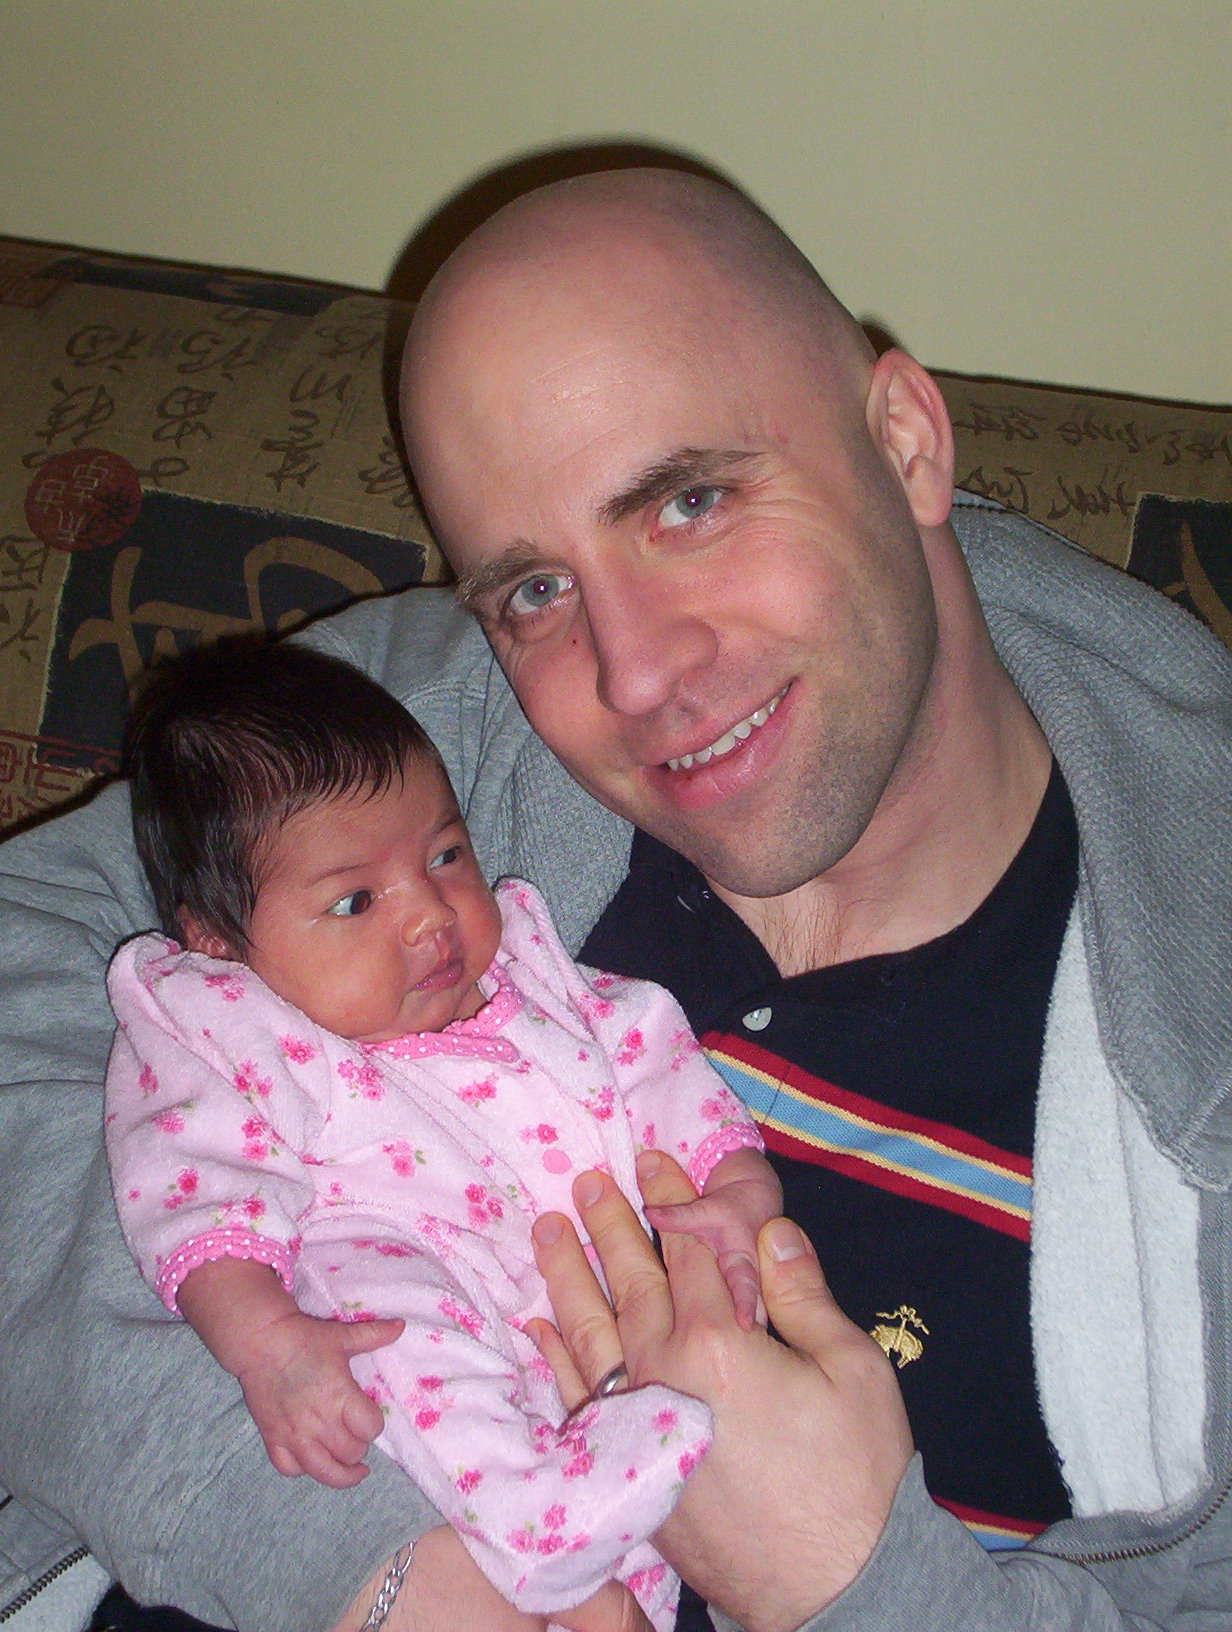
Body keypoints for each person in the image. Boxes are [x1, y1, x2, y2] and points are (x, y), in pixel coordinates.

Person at [0, 164, 1227, 1632]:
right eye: (532, 590)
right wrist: (384, 1578)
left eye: (689, 503)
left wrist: (852, 1584)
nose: (633, 675)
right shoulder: (416, 737)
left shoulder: (1188, 1014)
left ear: (905, 440)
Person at [104, 639, 777, 1632]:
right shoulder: (227, 1023)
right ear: (217, 941)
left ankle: (602, 1555)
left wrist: (737, 1188)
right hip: (401, 1263)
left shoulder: (530, 972)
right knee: (389, 1325)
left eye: (445, 856)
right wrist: (264, 1341)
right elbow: (191, 1183)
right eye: (354, 901)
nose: (430, 916)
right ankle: (532, 1519)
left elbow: (650, 1051)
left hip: (597, 1342)